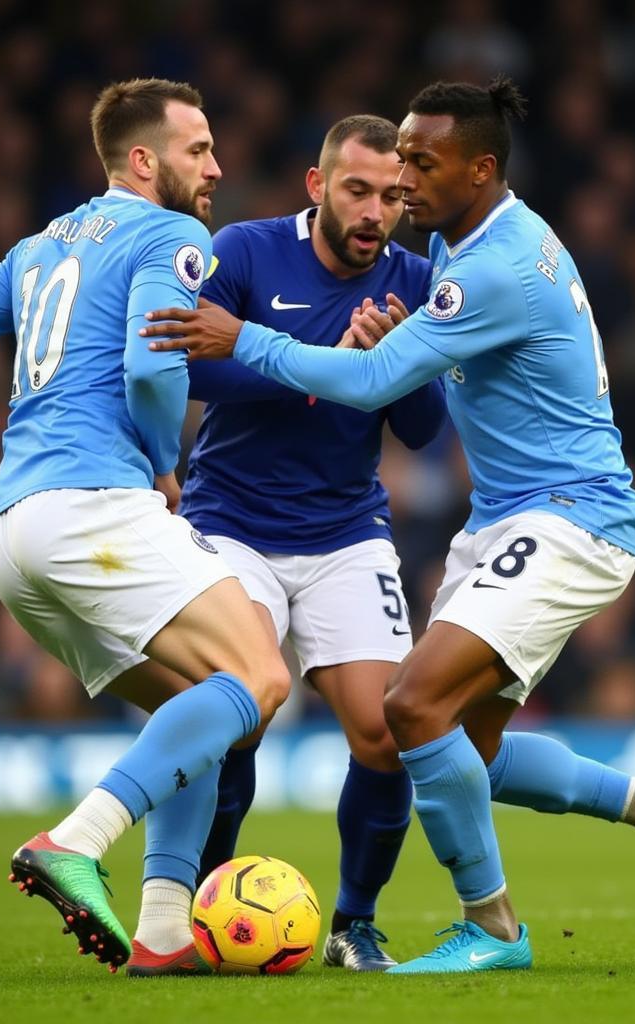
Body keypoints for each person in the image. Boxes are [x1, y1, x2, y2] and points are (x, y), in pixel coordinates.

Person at [140, 77, 635, 973]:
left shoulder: (481, 269)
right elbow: (189, 362)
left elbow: (392, 402)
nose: (401, 187)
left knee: (408, 711)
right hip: (475, 520)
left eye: (419, 165)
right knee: (456, 753)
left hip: (566, 515)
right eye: (381, 174)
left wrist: (257, 341)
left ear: (480, 169)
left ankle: (488, 930)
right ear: (316, 185)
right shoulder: (447, 246)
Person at [0, 78, 290, 973]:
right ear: (144, 159)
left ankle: (159, 934)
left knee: (203, 712)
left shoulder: (41, 246)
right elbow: (154, 361)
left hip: (10, 533)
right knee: (260, 672)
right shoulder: (170, 234)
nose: (217, 167)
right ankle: (76, 839)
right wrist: (163, 462)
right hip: (92, 506)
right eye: (199, 149)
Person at [126, 115, 446, 976]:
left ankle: (354, 923)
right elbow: (189, 364)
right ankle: (195, 906)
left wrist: (394, 363)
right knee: (238, 717)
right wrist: (318, 356)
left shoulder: (419, 281)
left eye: (392, 195)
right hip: (231, 521)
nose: (377, 210)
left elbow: (421, 430)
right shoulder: (248, 251)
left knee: (386, 734)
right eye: (358, 191)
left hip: (347, 530)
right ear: (318, 186)